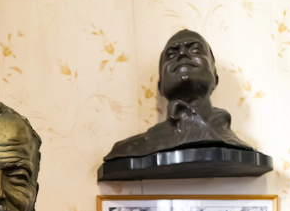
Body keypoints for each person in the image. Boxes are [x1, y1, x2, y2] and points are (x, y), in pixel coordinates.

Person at [103, 30, 256, 162]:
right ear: (160, 87)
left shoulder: (236, 145)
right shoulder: (130, 148)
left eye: (195, 50)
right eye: (171, 54)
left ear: (215, 78)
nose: (182, 54)